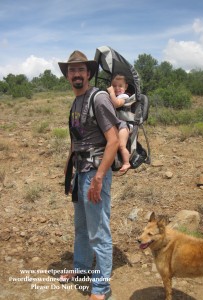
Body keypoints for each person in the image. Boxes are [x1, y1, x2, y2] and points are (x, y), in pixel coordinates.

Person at [58, 50, 120, 300]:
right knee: (82, 228)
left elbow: (113, 140)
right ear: (67, 76)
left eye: (81, 69)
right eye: (72, 70)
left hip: (96, 173)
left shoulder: (99, 98)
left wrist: (98, 177)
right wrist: (68, 170)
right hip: (80, 173)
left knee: (99, 233)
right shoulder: (76, 102)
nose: (76, 74)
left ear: (89, 73)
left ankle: (101, 288)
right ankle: (82, 269)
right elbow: (77, 142)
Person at [107, 74, 131, 174]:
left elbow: (117, 104)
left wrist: (111, 93)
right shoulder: (111, 97)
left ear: (125, 87)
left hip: (123, 125)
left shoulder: (124, 96)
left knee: (121, 145)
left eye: (120, 86)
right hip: (114, 124)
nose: (117, 88)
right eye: (114, 86)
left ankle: (126, 162)